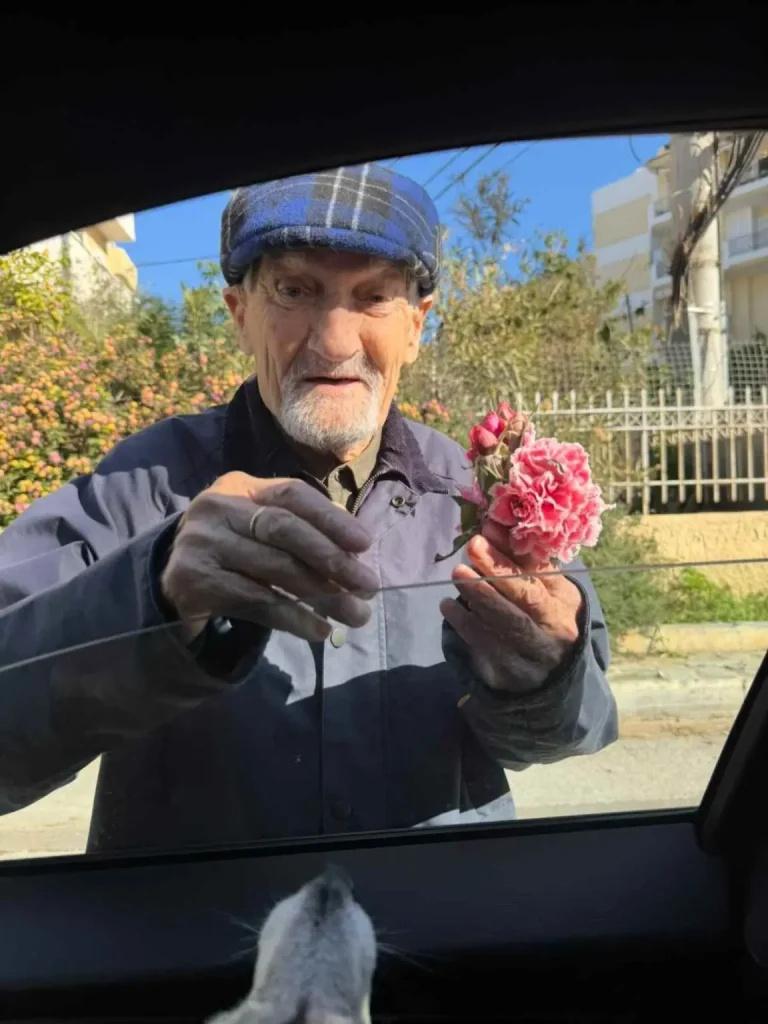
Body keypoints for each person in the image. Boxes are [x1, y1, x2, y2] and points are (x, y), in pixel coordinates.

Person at [0, 164, 617, 853]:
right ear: (239, 313)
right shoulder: (139, 486)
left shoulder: (485, 494)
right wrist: (155, 597)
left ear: (417, 326)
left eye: (373, 297)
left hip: (440, 911)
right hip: (195, 923)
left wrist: (543, 678)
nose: (334, 342)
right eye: (295, 291)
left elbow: (580, 726)